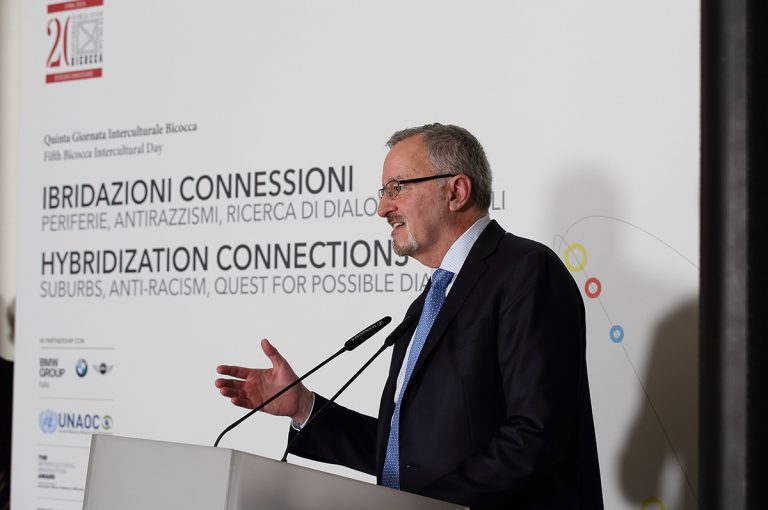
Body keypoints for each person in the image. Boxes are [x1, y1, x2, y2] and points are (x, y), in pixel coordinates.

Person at [216, 124, 603, 509]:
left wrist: (421, 507)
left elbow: (536, 434)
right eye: (383, 192)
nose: (383, 208)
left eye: (397, 188)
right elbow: (402, 455)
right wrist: (304, 406)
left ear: (456, 191)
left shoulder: (527, 272)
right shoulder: (428, 302)